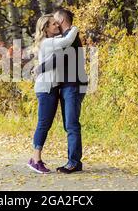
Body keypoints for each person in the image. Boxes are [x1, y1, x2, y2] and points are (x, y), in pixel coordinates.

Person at [34, 9, 88, 174]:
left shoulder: (70, 37)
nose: (55, 23)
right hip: (65, 86)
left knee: (71, 124)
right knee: (68, 124)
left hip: (74, 84)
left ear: (63, 19)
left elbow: (60, 58)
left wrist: (39, 68)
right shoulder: (62, 38)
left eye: (56, 20)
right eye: (52, 23)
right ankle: (73, 161)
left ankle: (74, 163)